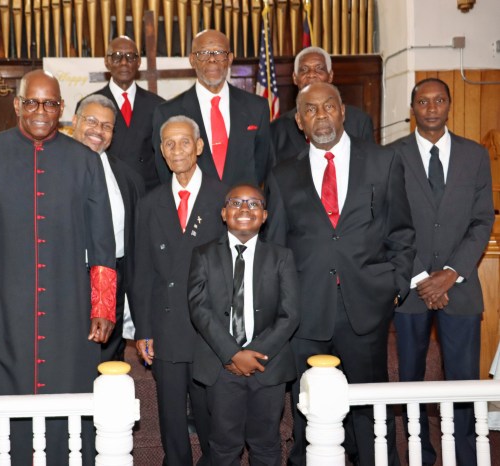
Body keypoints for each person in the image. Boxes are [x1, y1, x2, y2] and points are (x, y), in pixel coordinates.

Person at [0, 70, 117, 465]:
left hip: (68, 306)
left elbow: (102, 241)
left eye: (49, 103)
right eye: (31, 102)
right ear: (17, 105)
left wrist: (103, 305)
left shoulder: (85, 160)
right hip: (3, 306)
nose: (40, 111)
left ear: (61, 109)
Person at [266, 82, 414, 466]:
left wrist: (393, 288)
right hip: (306, 309)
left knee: (369, 409)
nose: (321, 116)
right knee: (307, 406)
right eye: (310, 110)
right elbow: (277, 249)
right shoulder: (282, 175)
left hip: (366, 304)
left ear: (343, 111)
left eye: (328, 106)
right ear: (299, 121)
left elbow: (401, 232)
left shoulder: (383, 161)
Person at [390, 78, 495, 466]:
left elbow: (482, 220)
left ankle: (466, 455)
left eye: (438, 101)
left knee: (464, 379)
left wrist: (451, 272)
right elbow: (390, 223)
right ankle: (421, 453)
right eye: (423, 101)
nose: (431, 107)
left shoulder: (474, 155)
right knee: (411, 379)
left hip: (460, 287)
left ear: (449, 105)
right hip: (410, 288)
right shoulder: (392, 156)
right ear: (412, 108)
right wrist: (421, 278)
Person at [133, 116, 228, 465]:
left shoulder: (225, 197)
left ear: (200, 147)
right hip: (166, 324)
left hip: (211, 330)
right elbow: (141, 272)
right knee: (172, 418)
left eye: (185, 142)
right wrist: (143, 329)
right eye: (169, 144)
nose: (177, 150)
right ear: (161, 151)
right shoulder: (150, 203)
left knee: (211, 416)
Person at [188, 184, 299, 465]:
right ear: (224, 213)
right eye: (236, 203)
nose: (245, 209)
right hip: (220, 365)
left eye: (254, 204)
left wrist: (254, 355)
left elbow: (290, 315)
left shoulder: (281, 257)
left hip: (268, 364)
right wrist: (233, 354)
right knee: (224, 446)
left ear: (265, 216)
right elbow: (199, 309)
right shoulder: (203, 255)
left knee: (266, 444)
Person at [72, 94, 145, 362]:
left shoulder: (129, 178)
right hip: (66, 281)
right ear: (75, 121)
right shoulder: (50, 168)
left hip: (114, 278)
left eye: (106, 126)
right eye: (91, 121)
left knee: (109, 360)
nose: (98, 131)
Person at [152, 29, 274, 187]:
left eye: (219, 52)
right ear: (192, 60)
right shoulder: (167, 113)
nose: (212, 59)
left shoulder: (257, 107)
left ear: (229, 59)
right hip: (194, 209)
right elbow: (165, 174)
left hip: (242, 208)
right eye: (203, 53)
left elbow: (262, 164)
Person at [78, 36, 165, 190]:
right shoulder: (89, 105)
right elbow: (81, 156)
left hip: (147, 192)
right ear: (107, 62)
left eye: (130, 57)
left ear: (138, 62)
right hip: (104, 189)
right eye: (117, 56)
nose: (124, 62)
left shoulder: (158, 105)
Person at [270, 46, 374, 164]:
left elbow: (369, 167)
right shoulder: (277, 130)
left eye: (319, 69)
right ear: (295, 78)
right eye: (304, 69)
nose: (311, 74)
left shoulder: (360, 121)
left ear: (330, 76)